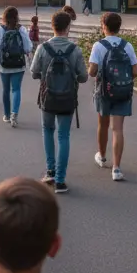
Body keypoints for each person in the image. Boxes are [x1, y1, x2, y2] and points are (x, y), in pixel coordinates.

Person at [30, 10, 89, 194]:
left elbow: (33, 72)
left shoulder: (43, 48)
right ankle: (61, 181)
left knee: (47, 131)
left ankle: (50, 171)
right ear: (68, 27)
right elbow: (84, 77)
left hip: (47, 97)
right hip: (67, 98)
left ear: (52, 26)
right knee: (64, 136)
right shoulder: (75, 50)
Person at [88, 11, 137, 182]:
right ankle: (116, 168)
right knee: (118, 129)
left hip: (104, 91)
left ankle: (102, 157)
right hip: (122, 91)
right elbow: (135, 70)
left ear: (104, 26)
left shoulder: (98, 46)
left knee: (103, 124)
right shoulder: (127, 46)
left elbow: (92, 71)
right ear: (119, 27)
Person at [0, 6, 32, 128]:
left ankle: (6, 115)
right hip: (18, 64)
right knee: (16, 89)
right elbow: (28, 48)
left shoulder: (0, 30)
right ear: (17, 17)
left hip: (4, 65)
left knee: (6, 89)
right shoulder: (21, 29)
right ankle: (14, 114)